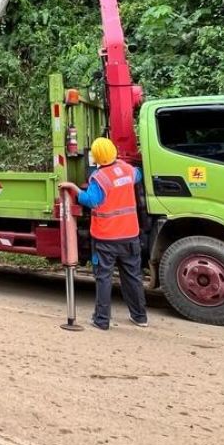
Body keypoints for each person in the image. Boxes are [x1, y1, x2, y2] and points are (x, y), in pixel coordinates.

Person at [77, 137, 148, 331]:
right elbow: (138, 175)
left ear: (97, 157)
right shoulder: (127, 170)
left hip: (106, 238)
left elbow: (91, 200)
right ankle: (140, 316)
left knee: (104, 277)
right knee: (133, 276)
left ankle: (101, 320)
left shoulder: (100, 178)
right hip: (130, 236)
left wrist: (75, 191)